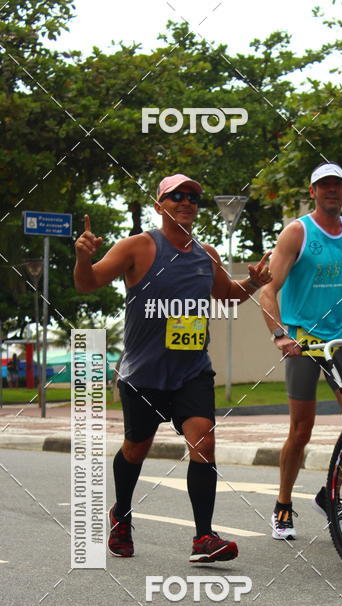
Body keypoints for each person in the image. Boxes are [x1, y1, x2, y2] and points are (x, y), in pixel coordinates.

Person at [74, 173, 272, 562]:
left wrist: (253, 284)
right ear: (159, 204)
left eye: (193, 197)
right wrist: (83, 257)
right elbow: (88, 283)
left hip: (192, 370)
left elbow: (227, 296)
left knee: (204, 441)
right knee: (135, 449)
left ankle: (204, 538)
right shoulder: (137, 247)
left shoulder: (206, 254)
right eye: (176, 196)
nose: (186, 202)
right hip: (143, 374)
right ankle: (122, 516)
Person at [259, 162, 342, 539]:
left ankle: (328, 496)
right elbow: (269, 289)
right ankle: (283, 505)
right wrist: (280, 336)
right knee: (301, 429)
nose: (331, 190)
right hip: (305, 340)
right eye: (323, 185)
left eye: (338, 185)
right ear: (312, 192)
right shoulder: (297, 232)